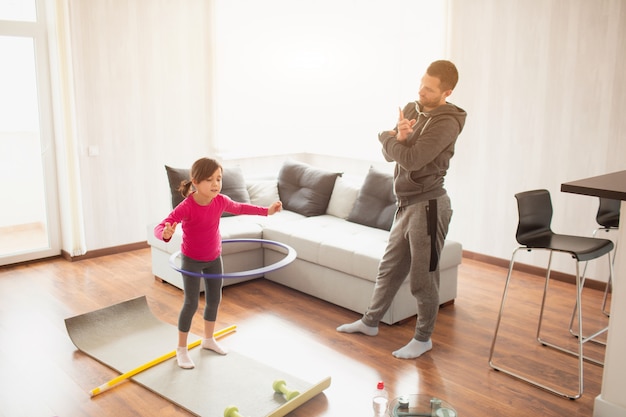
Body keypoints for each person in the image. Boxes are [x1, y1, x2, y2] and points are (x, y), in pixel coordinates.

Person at [337, 60, 467, 359]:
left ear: (446, 92)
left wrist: (388, 136)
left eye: (429, 89)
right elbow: (389, 156)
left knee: (424, 277)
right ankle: (370, 322)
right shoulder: (411, 108)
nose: (421, 91)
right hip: (406, 203)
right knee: (390, 268)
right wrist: (399, 139)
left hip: (430, 205)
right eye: (421, 84)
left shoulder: (448, 122)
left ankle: (423, 339)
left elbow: (411, 160)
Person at [154, 157, 282, 369]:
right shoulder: (187, 206)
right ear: (195, 182)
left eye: (218, 179)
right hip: (191, 260)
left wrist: (266, 211)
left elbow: (240, 208)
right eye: (209, 179)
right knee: (191, 303)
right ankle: (181, 349)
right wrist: (166, 233)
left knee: (215, 299)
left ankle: (208, 339)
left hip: (214, 257)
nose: (215, 184)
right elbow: (163, 226)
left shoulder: (221, 200)